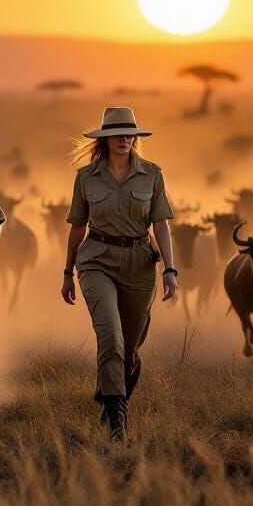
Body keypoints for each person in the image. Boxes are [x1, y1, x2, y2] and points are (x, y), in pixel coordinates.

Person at [61, 106, 178, 441]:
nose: (125, 139)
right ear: (105, 139)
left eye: (130, 134)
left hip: (139, 263)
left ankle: (109, 399)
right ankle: (117, 425)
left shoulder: (152, 174)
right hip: (96, 260)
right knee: (109, 336)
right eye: (118, 134)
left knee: (128, 350)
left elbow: (160, 225)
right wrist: (67, 272)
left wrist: (170, 269)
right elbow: (77, 227)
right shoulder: (86, 178)